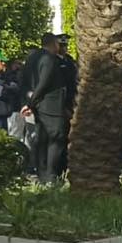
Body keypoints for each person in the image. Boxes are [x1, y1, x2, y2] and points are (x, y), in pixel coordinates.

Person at [23, 33, 69, 183]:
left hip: (39, 105)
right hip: (52, 106)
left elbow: (24, 81)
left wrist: (28, 101)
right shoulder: (49, 59)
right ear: (53, 44)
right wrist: (30, 103)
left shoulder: (32, 58)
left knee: (42, 139)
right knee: (56, 139)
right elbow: (44, 82)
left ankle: (42, 173)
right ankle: (50, 175)